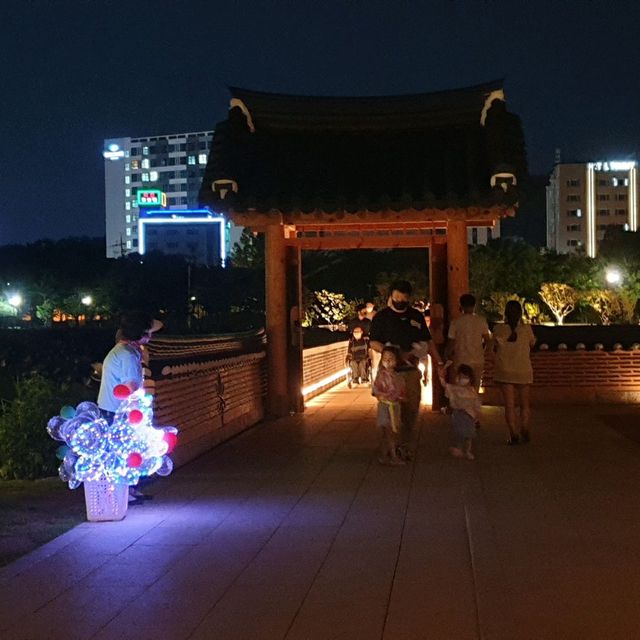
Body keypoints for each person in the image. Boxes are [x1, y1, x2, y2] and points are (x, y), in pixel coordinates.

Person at [369, 280, 443, 460]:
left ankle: (405, 445)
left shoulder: (416, 316)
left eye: (403, 298)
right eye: (396, 298)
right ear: (391, 296)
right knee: (389, 411)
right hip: (389, 371)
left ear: (409, 298)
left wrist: (439, 362)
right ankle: (390, 446)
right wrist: (391, 352)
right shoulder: (381, 317)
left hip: (410, 371)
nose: (399, 301)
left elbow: (428, 341)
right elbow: (373, 342)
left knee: (410, 410)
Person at [97, 311, 162, 502]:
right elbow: (131, 384)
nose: (150, 336)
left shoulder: (122, 350)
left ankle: (127, 491)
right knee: (125, 450)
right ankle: (123, 493)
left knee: (122, 450)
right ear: (137, 334)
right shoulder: (127, 355)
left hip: (112, 407)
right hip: (120, 411)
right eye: (147, 332)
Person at [492, 300, 536, 445]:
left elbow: (493, 347)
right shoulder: (526, 329)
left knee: (509, 405)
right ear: (520, 313)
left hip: (505, 370)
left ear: (505, 313)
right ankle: (524, 427)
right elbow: (532, 343)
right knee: (525, 404)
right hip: (523, 369)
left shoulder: (498, 329)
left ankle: (513, 433)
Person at [446, 294, 492, 427]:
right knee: (474, 390)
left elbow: (451, 342)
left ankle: (461, 416)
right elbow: (488, 340)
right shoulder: (481, 321)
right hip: (477, 359)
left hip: (461, 360)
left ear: (460, 305)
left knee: (460, 390)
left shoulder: (456, 322)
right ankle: (474, 417)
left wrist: (446, 355)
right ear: (474, 305)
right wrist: (486, 353)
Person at [438, 362, 481, 460]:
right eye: (461, 377)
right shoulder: (455, 388)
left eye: (466, 377)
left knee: (469, 435)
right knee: (459, 433)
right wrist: (441, 376)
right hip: (458, 414)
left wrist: (476, 414)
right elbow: (444, 385)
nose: (463, 379)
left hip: (469, 414)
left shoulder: (471, 390)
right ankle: (459, 448)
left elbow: (476, 402)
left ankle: (468, 450)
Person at [372, 346, 405, 466]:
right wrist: (381, 396)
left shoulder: (398, 376)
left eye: (391, 358)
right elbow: (376, 389)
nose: (388, 361)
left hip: (395, 406)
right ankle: (393, 455)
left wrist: (400, 397)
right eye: (385, 358)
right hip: (385, 406)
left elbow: (401, 391)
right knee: (388, 431)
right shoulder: (381, 375)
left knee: (391, 432)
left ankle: (384, 454)